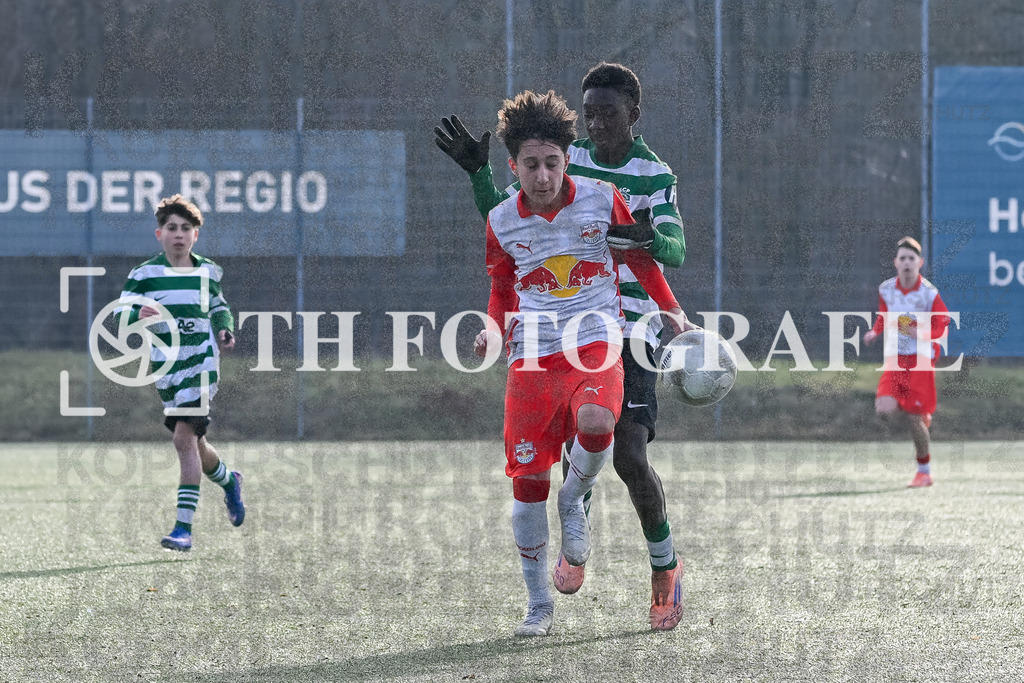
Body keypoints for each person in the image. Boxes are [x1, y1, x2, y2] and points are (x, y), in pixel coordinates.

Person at [437, 62, 686, 630]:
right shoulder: (559, 161)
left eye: (608, 112)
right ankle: (570, 532)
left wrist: (662, 270)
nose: (597, 122)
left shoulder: (648, 174)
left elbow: (670, 246)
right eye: (590, 111)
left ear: (632, 115)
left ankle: (662, 565)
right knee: (560, 454)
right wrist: (478, 177)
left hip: (628, 329)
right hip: (544, 338)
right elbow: (510, 227)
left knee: (626, 454)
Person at [117, 194, 245, 551]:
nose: (178, 234)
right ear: (159, 234)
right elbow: (119, 314)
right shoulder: (144, 275)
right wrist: (134, 316)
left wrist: (224, 329)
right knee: (196, 444)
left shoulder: (207, 272)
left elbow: (220, 308)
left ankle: (183, 530)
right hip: (167, 368)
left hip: (202, 364)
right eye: (171, 228)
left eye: (186, 228)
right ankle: (229, 481)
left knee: (182, 438)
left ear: (195, 235)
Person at [863, 236, 950, 488]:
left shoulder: (929, 293)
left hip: (921, 362)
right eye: (902, 258)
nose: (907, 262)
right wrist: (875, 331)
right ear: (895, 263)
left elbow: (942, 323)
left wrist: (920, 333)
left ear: (920, 263)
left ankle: (924, 472)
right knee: (884, 409)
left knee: (913, 418)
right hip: (895, 361)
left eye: (912, 258)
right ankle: (920, 414)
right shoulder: (886, 289)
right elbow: (884, 314)